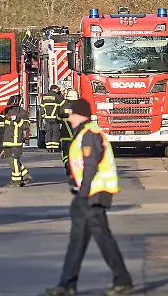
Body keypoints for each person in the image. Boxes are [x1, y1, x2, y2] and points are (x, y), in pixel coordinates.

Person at [43, 98, 133, 296]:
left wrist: (82, 193)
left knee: (103, 239)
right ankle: (67, 285)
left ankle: (122, 280)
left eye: (72, 114)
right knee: (77, 241)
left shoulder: (90, 134)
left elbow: (91, 165)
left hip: (94, 196)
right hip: (87, 195)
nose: (70, 118)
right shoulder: (84, 133)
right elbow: (83, 166)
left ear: (81, 115)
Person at [0, 95, 31, 186]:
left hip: (16, 142)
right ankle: (25, 175)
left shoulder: (22, 113)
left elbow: (26, 126)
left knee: (15, 161)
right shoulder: (5, 111)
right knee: (11, 161)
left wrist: (17, 119)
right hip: (7, 142)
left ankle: (16, 181)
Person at [58, 89, 79, 175]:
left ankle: (67, 163)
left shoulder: (63, 107)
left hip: (65, 134)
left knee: (65, 152)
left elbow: (58, 118)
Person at [40, 84, 64, 152]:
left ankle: (48, 147)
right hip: (55, 118)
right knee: (55, 132)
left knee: (48, 132)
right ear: (55, 89)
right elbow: (63, 104)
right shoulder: (57, 96)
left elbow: (42, 108)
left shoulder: (44, 97)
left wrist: (43, 116)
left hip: (47, 118)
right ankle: (55, 148)